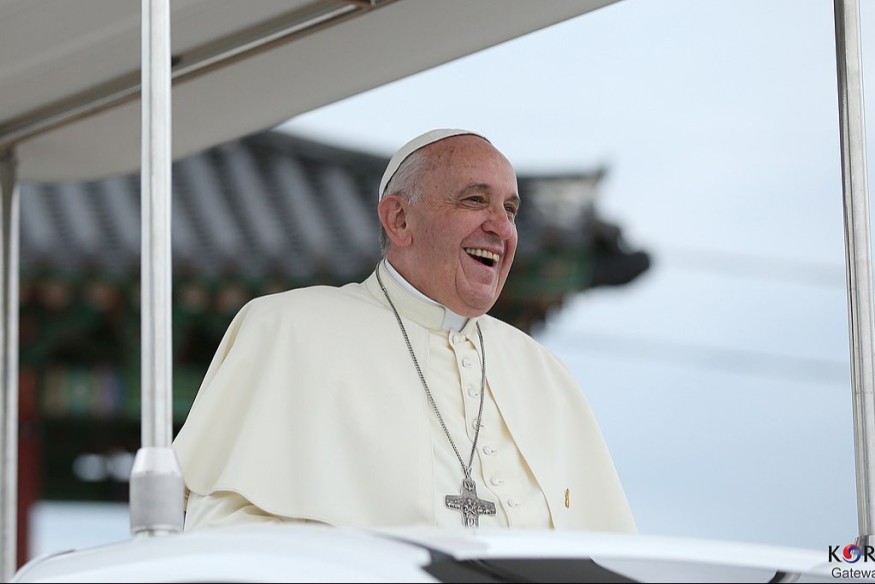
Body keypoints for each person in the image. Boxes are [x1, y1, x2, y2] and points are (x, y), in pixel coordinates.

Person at [171, 129, 636, 532]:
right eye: (475, 200)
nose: (501, 227)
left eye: (510, 210)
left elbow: (605, 557)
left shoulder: (547, 376)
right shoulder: (289, 330)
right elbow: (221, 537)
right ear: (399, 219)